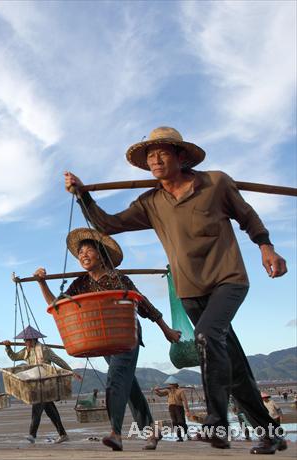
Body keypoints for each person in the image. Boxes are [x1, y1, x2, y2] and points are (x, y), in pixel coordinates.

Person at [64, 126, 288, 454]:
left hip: (228, 279)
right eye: (149, 156)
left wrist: (266, 247)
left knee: (207, 337)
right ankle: (271, 434)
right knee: (234, 365)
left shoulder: (216, 183)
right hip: (190, 290)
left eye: (162, 154)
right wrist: (84, 196)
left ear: (181, 157)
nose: (154, 160)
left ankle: (216, 421)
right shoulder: (151, 202)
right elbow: (108, 225)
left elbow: (247, 216)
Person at [34, 227, 181, 451]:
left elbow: (144, 305)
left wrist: (166, 329)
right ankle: (152, 430)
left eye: (88, 250)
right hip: (100, 339)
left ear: (101, 255)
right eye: (80, 252)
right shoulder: (80, 283)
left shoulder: (119, 278)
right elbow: (57, 306)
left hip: (125, 334)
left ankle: (116, 433)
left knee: (115, 378)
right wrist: (42, 283)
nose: (83, 255)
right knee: (128, 385)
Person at [2, 325, 79, 444]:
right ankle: (63, 434)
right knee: (51, 411)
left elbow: (58, 360)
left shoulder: (44, 349)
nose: (25, 342)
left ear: (33, 340)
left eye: (27, 340)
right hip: (34, 384)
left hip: (45, 384)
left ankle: (32, 435)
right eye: (24, 340)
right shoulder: (26, 351)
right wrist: (8, 347)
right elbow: (14, 357)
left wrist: (71, 371)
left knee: (37, 408)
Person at [154, 376, 191, 442]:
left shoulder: (180, 391)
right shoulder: (168, 391)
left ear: (175, 384)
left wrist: (187, 411)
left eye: (170, 384)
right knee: (174, 423)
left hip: (179, 408)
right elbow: (160, 394)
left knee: (181, 422)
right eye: (169, 384)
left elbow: (185, 401)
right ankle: (179, 437)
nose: (169, 385)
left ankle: (187, 434)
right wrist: (156, 391)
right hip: (171, 408)